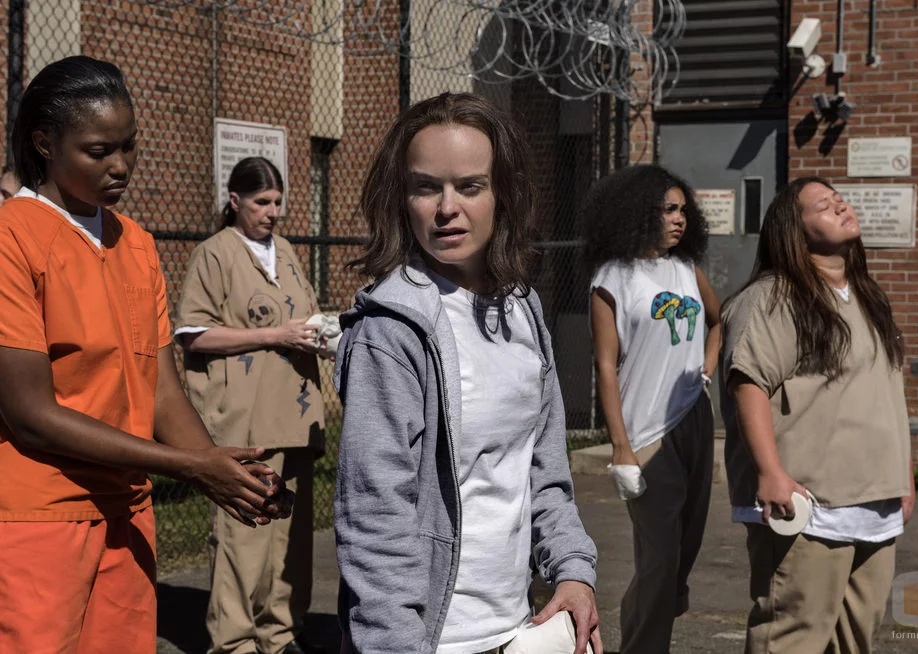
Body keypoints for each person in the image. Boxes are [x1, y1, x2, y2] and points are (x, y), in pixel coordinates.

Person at [0, 56, 288, 654]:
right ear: (45, 144)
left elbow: (159, 389)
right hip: (39, 518)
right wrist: (187, 467)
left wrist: (222, 470)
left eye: (129, 145)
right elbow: (30, 413)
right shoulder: (12, 237)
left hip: (127, 513)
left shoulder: (135, 243)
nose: (121, 165)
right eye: (99, 151)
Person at [333, 92, 602, 654]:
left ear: (503, 193)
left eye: (470, 186)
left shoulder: (522, 307)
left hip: (521, 629)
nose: (446, 208)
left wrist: (573, 570)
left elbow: (543, 472)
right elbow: (374, 516)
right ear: (402, 198)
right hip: (433, 640)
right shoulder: (392, 330)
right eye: (426, 187)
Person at [720, 177, 914, 653]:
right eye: (824, 205)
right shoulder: (771, 298)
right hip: (807, 505)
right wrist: (770, 472)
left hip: (874, 501)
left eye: (840, 199)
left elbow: (888, 395)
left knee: (855, 639)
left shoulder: (868, 298)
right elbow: (749, 383)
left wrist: (903, 478)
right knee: (792, 636)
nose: (841, 206)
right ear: (794, 229)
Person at [175, 156, 329, 654]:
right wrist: (274, 335)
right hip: (244, 417)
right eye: (262, 202)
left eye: (278, 202)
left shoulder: (285, 251)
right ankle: (235, 641)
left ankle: (280, 633)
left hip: (294, 412)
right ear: (235, 200)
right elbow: (194, 334)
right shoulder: (215, 254)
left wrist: (321, 333)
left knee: (291, 537)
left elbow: (304, 314)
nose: (273, 212)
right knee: (243, 533)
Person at [583, 165, 720, 653]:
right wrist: (620, 447)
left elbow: (717, 319)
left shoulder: (687, 270)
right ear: (639, 212)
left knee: (683, 555)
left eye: (683, 210)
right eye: (668, 210)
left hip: (695, 417)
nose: (679, 219)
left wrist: (706, 370)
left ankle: (649, 628)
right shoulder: (613, 278)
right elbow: (605, 366)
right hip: (646, 433)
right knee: (660, 558)